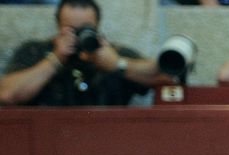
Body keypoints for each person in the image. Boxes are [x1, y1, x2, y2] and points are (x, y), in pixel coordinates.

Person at [0, 0, 169, 106]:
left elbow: (166, 76)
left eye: (85, 30)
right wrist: (56, 59)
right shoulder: (36, 51)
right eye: (71, 30)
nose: (79, 36)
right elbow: (7, 94)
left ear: (97, 26)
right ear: (58, 27)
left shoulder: (112, 53)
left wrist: (117, 65)